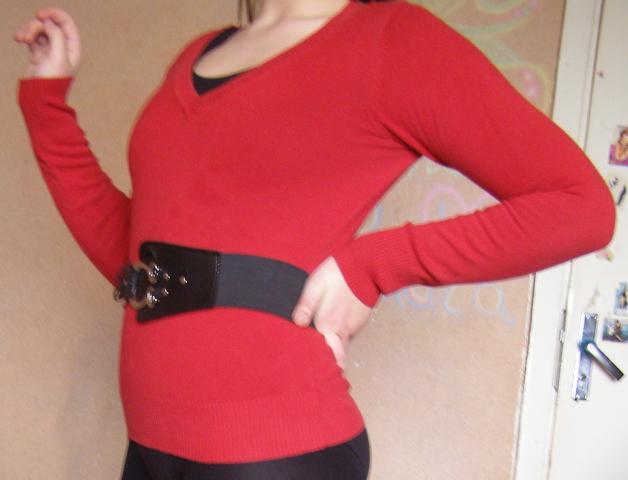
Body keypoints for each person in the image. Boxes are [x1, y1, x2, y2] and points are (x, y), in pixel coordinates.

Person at [13, 0, 616, 478]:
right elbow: (132, 256)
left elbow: (580, 207)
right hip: (150, 444)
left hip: (272, 455)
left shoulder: (393, 41)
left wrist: (373, 266)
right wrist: (47, 105)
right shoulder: (198, 54)